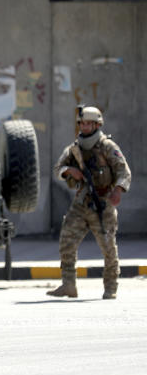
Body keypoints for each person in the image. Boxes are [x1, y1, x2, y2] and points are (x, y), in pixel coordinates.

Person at [47, 106, 131, 300]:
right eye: (81, 123)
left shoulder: (108, 147)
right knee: (66, 241)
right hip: (81, 203)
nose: (83, 127)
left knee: (108, 246)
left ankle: (110, 287)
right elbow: (57, 169)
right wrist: (70, 171)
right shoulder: (74, 148)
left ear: (96, 124)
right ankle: (69, 285)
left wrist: (118, 190)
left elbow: (123, 171)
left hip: (103, 203)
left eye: (87, 123)